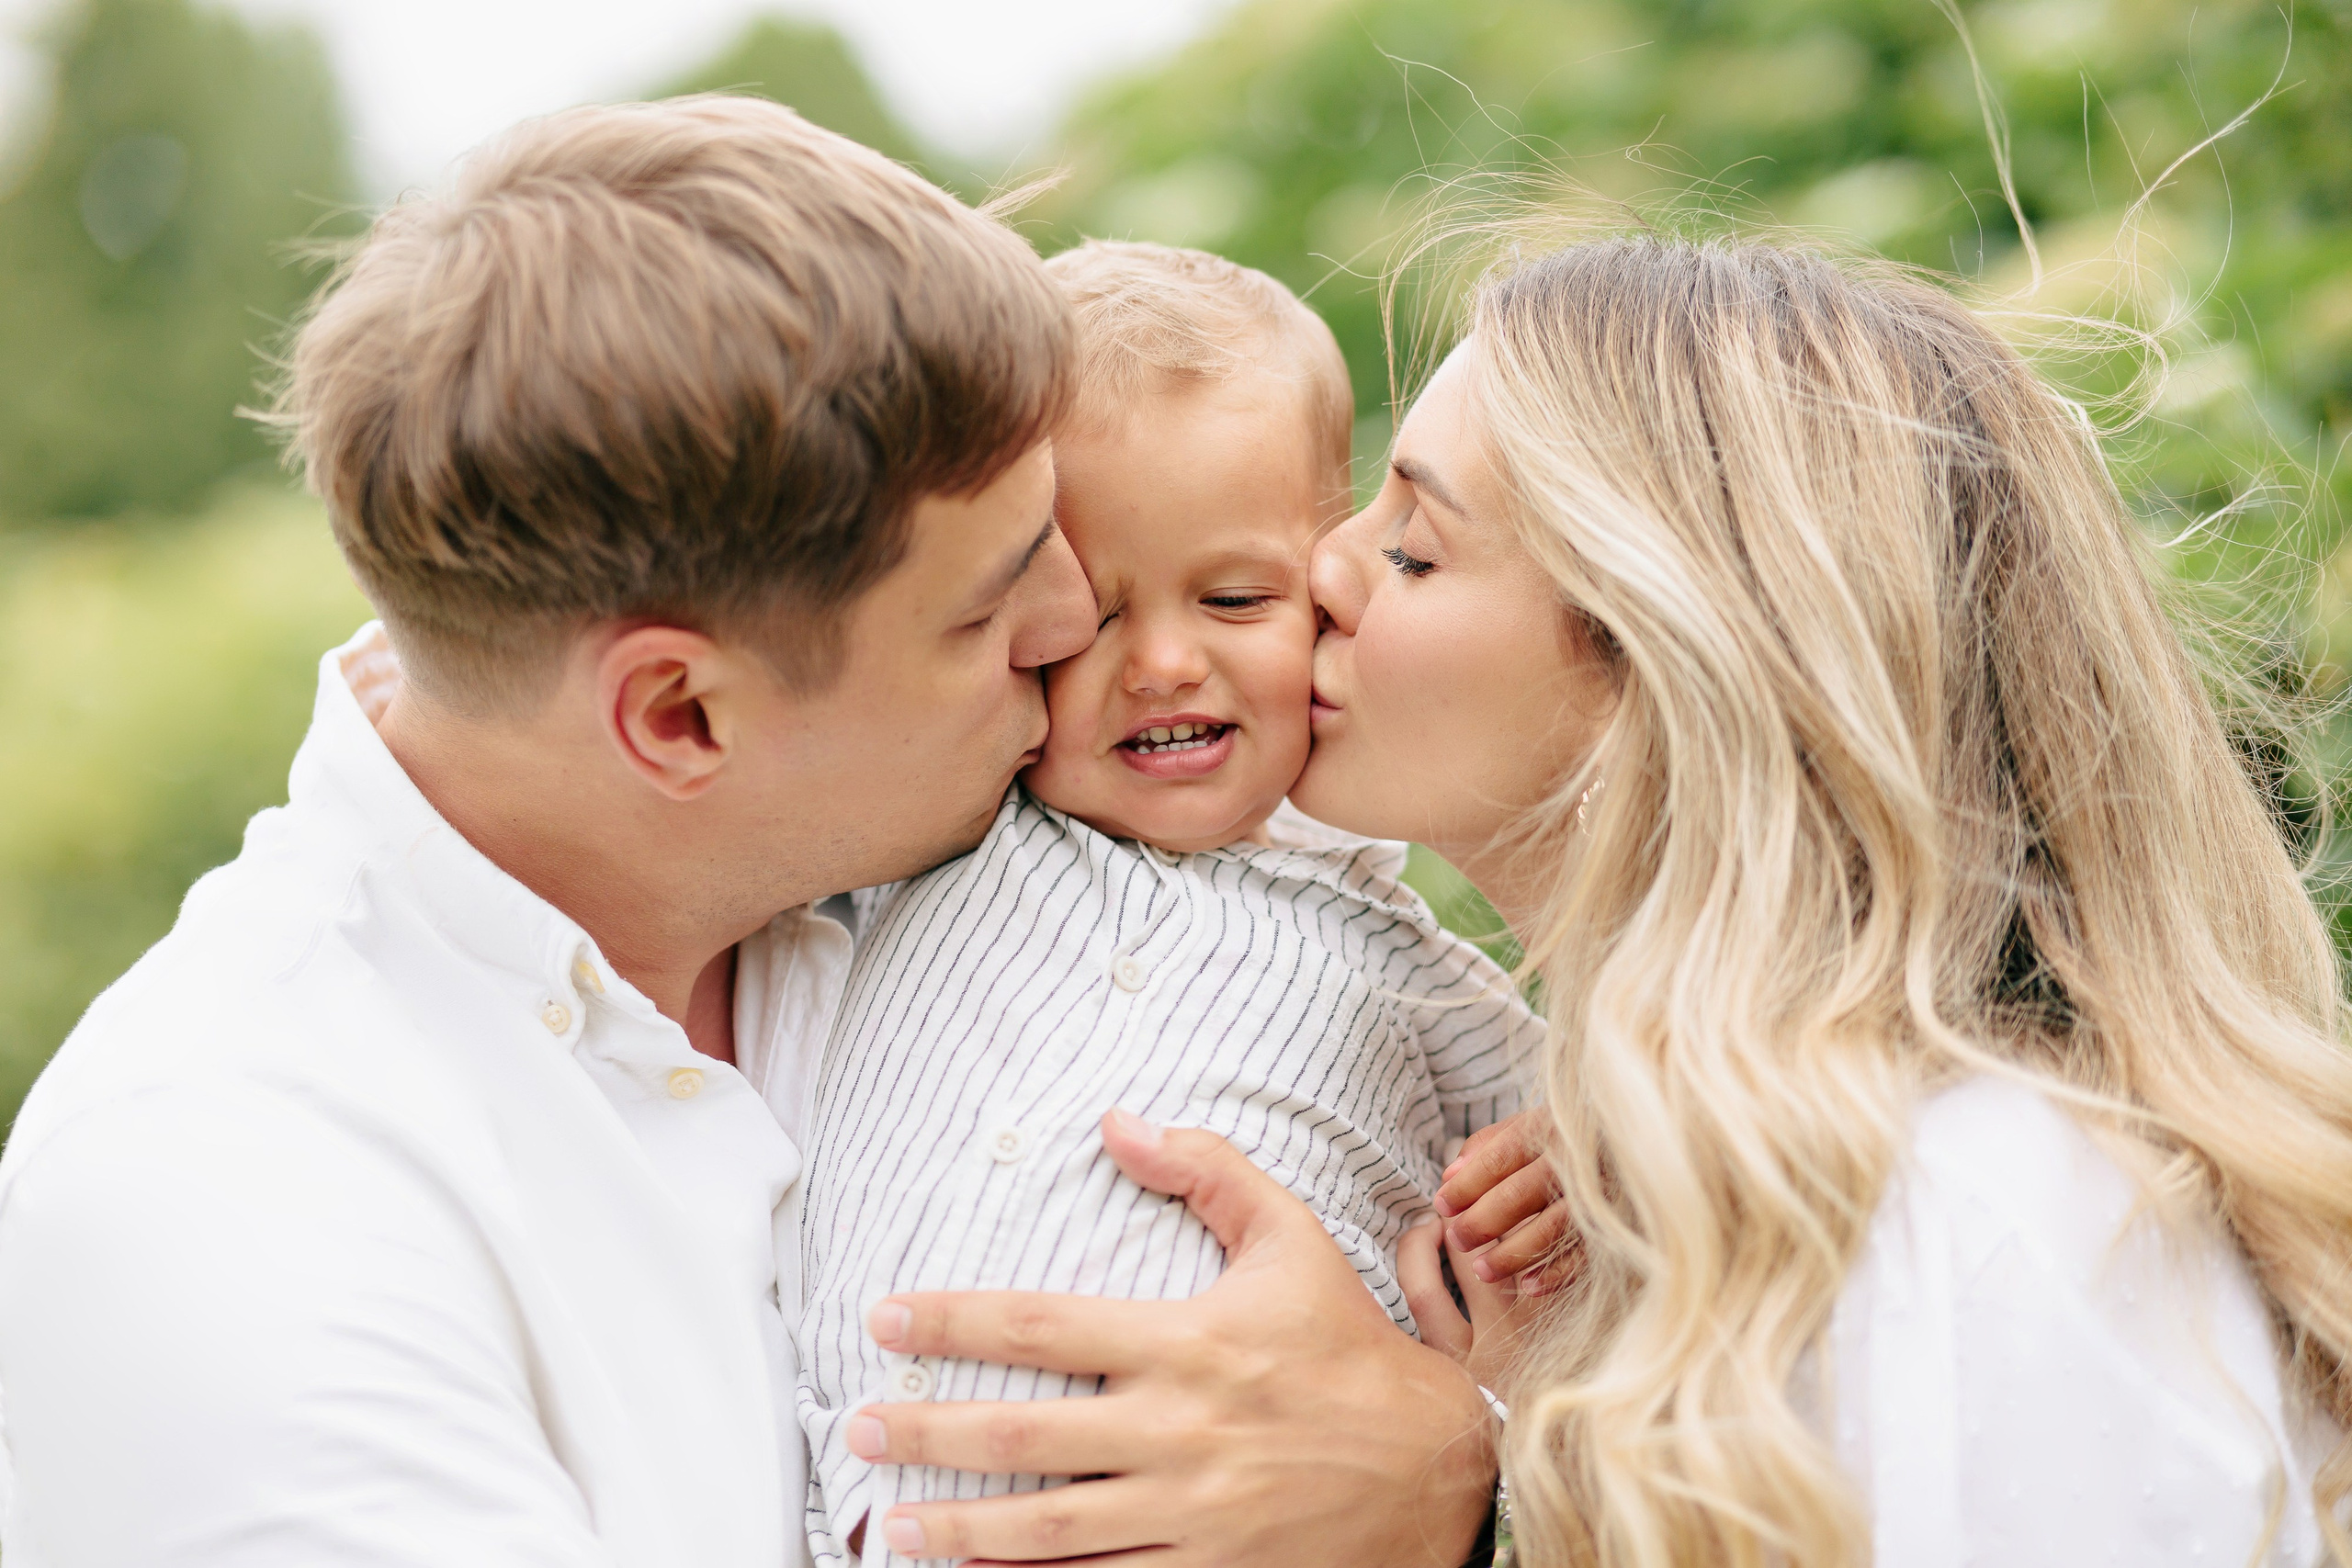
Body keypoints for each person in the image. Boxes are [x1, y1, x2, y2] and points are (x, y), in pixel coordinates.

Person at [0, 99, 1499, 1568]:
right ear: (681, 719)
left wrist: (1460, 1475)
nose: (1068, 627)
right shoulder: (230, 1207)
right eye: (991, 607)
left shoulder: (846, 861)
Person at [1289, 235, 2352, 1562]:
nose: (1320, 568)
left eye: (1416, 551)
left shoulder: (1985, 1218)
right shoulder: (1694, 1203)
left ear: (1678, 673)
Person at [793, 241, 1544, 1565]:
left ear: (1329, 589)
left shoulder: (1395, 953)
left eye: (1239, 597)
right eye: (1089, 617)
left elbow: (1617, 1130)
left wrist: (1561, 1169)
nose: (1162, 663)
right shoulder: (928, 842)